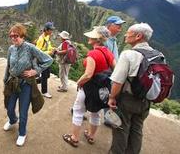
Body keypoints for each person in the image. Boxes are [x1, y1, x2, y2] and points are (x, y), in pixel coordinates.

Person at [63, 26, 115, 147]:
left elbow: (88, 74)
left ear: (97, 39)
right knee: (96, 112)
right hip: (102, 89)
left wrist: (79, 82)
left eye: (92, 36)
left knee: (78, 110)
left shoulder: (93, 54)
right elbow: (115, 71)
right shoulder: (108, 52)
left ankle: (74, 138)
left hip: (89, 88)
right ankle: (91, 136)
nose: (89, 37)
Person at [108, 23, 154, 154]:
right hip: (145, 102)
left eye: (128, 33)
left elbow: (117, 81)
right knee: (137, 131)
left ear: (138, 36)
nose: (125, 35)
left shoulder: (129, 54)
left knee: (121, 130)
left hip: (128, 100)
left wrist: (112, 97)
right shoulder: (158, 55)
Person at [3, 23, 53, 146]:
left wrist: (35, 71)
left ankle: (22, 133)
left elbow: (48, 60)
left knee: (23, 111)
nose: (13, 38)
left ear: (23, 36)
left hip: (26, 84)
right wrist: (5, 80)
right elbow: (8, 65)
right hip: (12, 82)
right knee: (9, 107)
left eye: (16, 35)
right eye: (11, 36)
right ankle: (13, 119)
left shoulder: (30, 48)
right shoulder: (11, 49)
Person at [103, 15, 126, 126]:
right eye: (118, 25)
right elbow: (106, 58)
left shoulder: (113, 40)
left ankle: (107, 118)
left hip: (111, 72)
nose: (120, 28)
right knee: (95, 92)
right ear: (109, 26)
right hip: (104, 72)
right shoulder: (105, 40)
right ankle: (77, 109)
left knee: (106, 94)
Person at [35, 22, 55, 98]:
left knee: (47, 75)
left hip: (46, 59)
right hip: (42, 60)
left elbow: (48, 46)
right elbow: (37, 52)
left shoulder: (47, 37)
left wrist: (52, 49)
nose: (51, 32)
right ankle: (44, 91)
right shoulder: (41, 39)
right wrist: (49, 52)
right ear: (46, 30)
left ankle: (32, 82)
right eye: (50, 30)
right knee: (44, 75)